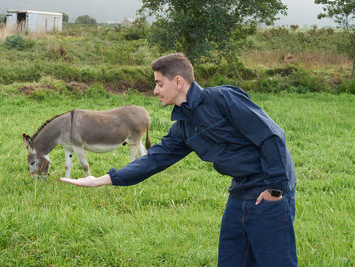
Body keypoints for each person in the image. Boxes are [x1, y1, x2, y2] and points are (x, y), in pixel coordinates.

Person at [61, 53, 297, 266]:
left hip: (268, 193)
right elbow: (153, 161)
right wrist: (102, 180)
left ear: (178, 82)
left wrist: (275, 190)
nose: (155, 91)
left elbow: (272, 136)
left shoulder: (222, 98)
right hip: (239, 193)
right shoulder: (185, 127)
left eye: (159, 84)